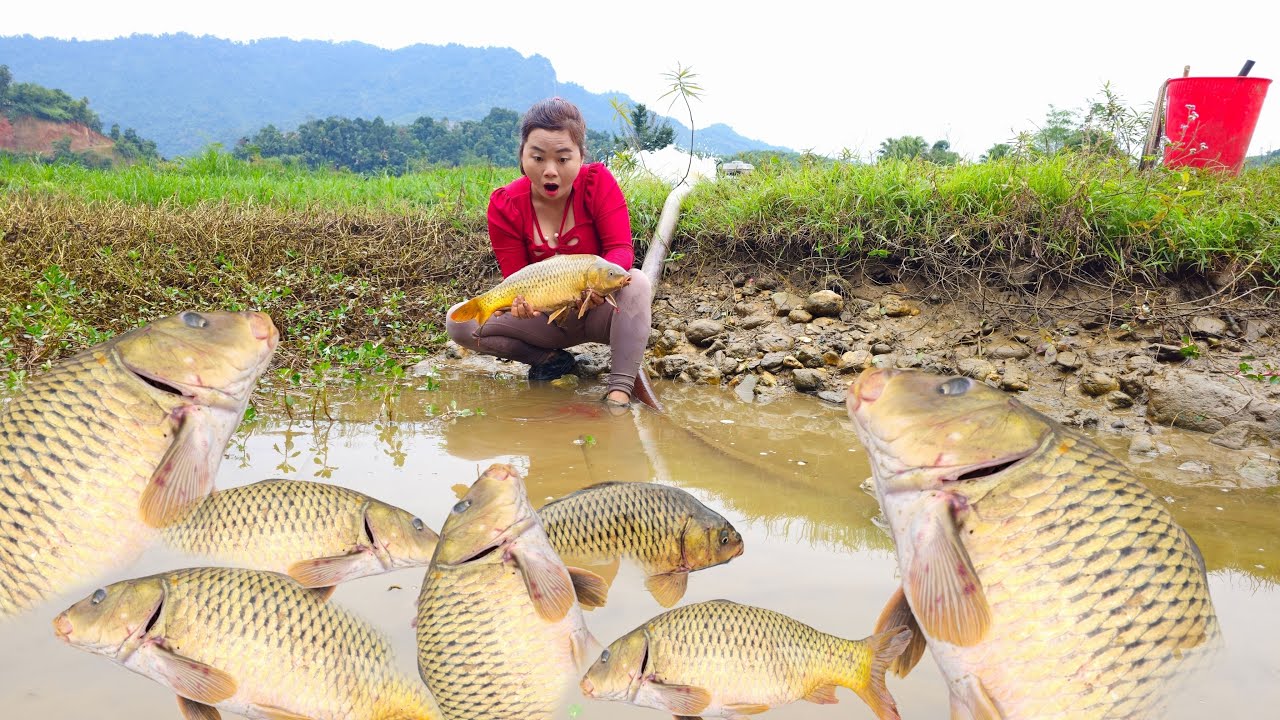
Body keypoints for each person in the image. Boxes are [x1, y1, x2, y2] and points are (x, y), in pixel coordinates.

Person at [446, 97, 653, 407]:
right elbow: (514, 277)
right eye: (538, 158)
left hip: (599, 311)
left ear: (581, 157)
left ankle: (619, 394)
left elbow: (620, 248)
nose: (550, 171)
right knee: (458, 322)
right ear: (522, 156)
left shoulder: (598, 183)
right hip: (545, 320)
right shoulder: (505, 204)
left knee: (636, 282)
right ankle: (550, 360)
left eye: (563, 159)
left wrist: (599, 285)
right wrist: (519, 306)